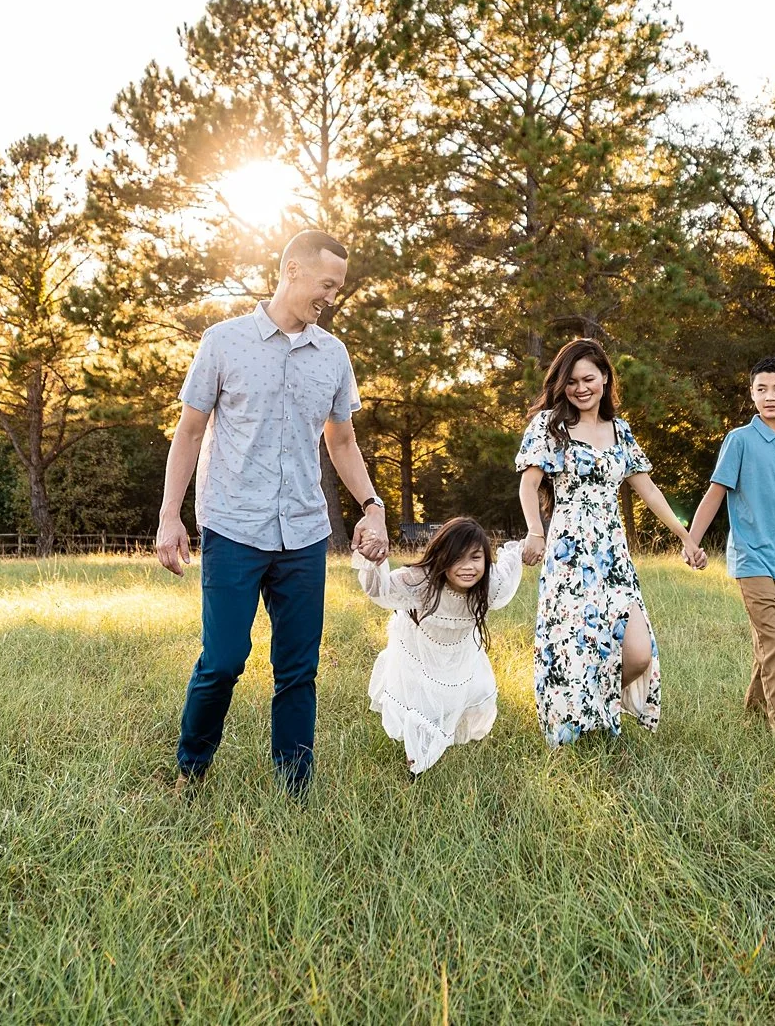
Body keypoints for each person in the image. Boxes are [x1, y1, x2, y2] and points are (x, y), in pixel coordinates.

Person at [155, 230, 389, 796]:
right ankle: (191, 772)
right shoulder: (223, 342)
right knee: (225, 659)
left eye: (338, 287)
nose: (332, 296)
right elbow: (188, 434)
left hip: (305, 531)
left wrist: (372, 506)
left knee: (299, 668)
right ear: (291, 271)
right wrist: (170, 516)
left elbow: (343, 443)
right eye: (327, 284)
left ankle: (294, 787)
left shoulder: (333, 355)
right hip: (234, 524)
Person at [516, 338, 707, 746]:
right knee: (572, 645)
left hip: (613, 553)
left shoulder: (621, 431)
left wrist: (686, 537)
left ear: (605, 377)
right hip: (568, 552)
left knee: (637, 651)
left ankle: (595, 702)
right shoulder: (551, 427)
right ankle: (572, 723)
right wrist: (536, 531)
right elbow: (529, 483)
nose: (580, 388)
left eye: (588, 378)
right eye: (571, 382)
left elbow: (649, 490)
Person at [683, 356, 775, 736]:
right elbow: (715, 493)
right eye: (761, 389)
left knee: (771, 643)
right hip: (751, 559)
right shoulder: (740, 440)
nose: (769, 396)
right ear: (751, 394)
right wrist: (690, 540)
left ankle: (752, 710)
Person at [354, 516, 524, 775]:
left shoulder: (490, 585)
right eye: (457, 558)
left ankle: (443, 742)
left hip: (460, 652)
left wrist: (524, 547)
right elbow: (379, 589)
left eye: (475, 558)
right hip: (417, 651)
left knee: (474, 691)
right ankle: (416, 763)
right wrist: (373, 562)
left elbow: (509, 571)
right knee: (421, 704)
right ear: (443, 558)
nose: (468, 567)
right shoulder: (421, 581)